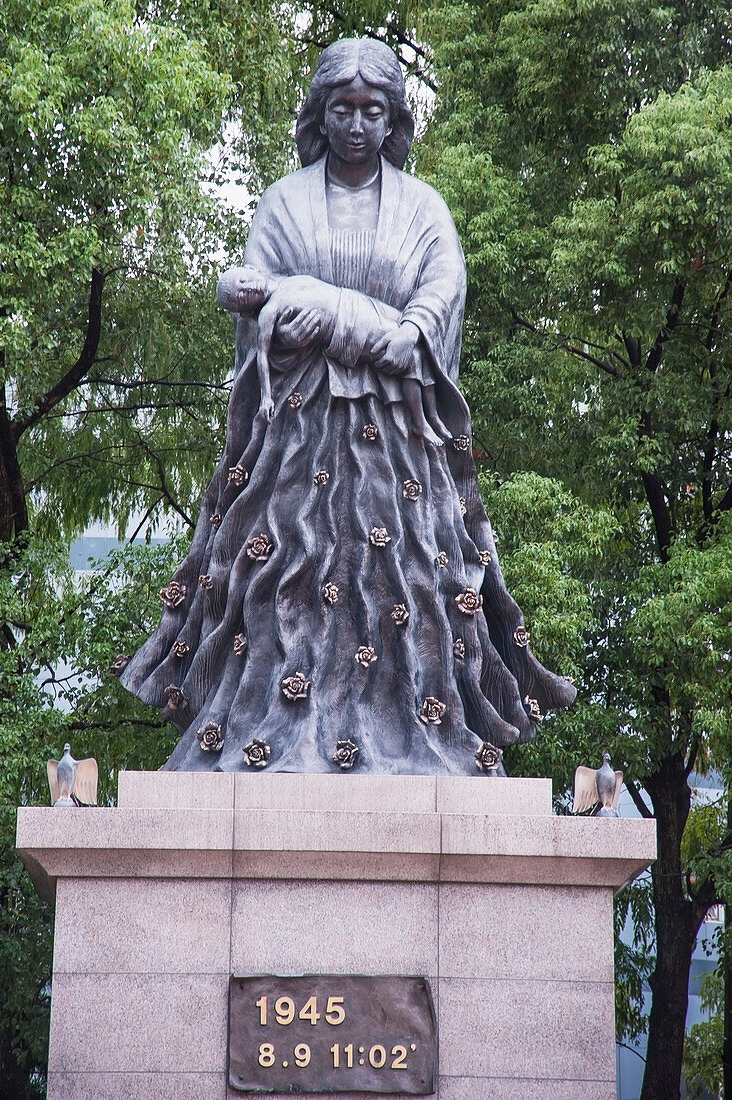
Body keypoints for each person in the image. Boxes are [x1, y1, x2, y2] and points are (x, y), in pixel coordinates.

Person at [120, 38, 576, 774]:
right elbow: (254, 297)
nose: (357, 124)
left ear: (392, 118)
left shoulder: (423, 207)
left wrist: (408, 330)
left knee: (409, 582)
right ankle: (264, 728)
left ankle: (412, 730)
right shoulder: (283, 201)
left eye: (371, 110)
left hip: (394, 436)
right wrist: (279, 328)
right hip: (297, 431)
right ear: (320, 115)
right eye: (342, 109)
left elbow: (441, 291)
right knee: (278, 577)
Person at [216, 264, 451, 441]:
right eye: (243, 295)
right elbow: (262, 356)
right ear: (246, 310)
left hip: (357, 303)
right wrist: (266, 397)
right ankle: (421, 423)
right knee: (411, 358)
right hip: (347, 331)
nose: (250, 288)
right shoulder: (269, 311)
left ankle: (434, 416)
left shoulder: (285, 281)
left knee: (415, 341)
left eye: (245, 281)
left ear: (251, 269)